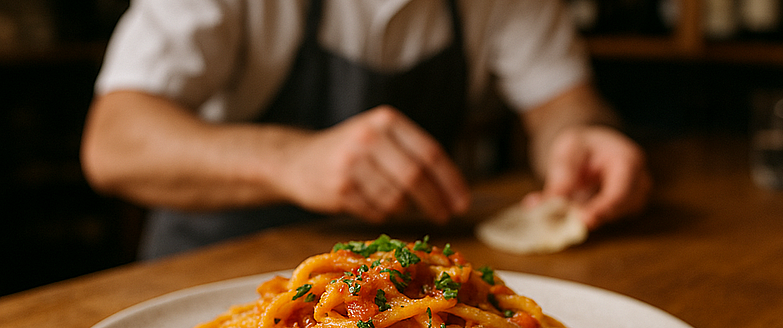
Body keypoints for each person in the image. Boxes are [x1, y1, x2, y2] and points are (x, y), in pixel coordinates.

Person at [80, 0, 651, 259]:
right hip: (211, 268)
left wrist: (581, 136)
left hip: (401, 277)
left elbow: (563, 104)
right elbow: (113, 139)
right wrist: (290, 159)